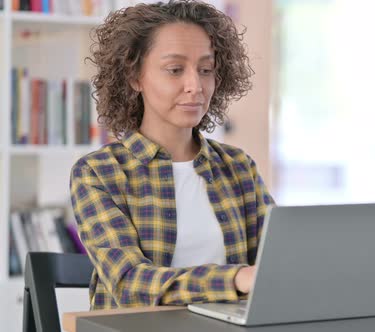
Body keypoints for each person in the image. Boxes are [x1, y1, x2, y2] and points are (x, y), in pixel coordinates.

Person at [69, 0, 274, 310]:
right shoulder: (99, 173)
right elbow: (130, 283)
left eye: (206, 70)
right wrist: (234, 279)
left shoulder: (239, 168)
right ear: (135, 77)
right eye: (175, 70)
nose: (195, 86)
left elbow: (280, 264)